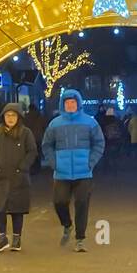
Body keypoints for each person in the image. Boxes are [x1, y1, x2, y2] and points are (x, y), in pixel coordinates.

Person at [42, 88, 105, 251]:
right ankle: (67, 224)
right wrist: (53, 163)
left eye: (73, 102)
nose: (70, 105)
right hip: (61, 173)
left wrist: (91, 162)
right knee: (59, 202)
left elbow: (99, 142)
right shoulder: (55, 124)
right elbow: (46, 145)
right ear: (63, 105)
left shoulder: (90, 122)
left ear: (78, 104)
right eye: (67, 103)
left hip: (84, 172)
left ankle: (80, 239)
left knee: (82, 204)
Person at [0, 103, 37, 252]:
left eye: (13, 115)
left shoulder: (26, 133)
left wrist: (23, 167)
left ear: (19, 117)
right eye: (8, 115)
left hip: (19, 177)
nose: (10, 118)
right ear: (3, 117)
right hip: (0, 177)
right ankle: (2, 238)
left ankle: (17, 238)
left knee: (17, 209)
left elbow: (32, 151)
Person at [23, 102, 46, 174]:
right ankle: (37, 167)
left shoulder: (26, 117)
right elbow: (44, 126)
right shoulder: (40, 116)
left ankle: (31, 167)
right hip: (38, 137)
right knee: (38, 152)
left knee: (30, 153)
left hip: (29, 138)